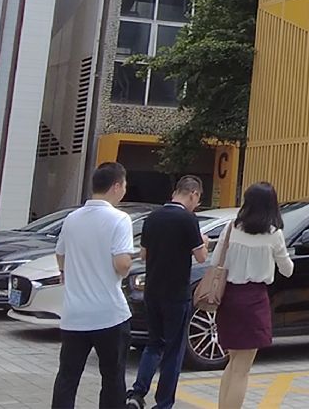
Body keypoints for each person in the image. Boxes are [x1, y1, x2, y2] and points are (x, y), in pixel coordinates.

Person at [52, 162, 135, 409]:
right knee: (112, 377)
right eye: (125, 185)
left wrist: (66, 272)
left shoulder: (72, 218)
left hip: (74, 314)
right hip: (109, 314)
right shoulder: (120, 219)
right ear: (116, 186)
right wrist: (127, 265)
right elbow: (122, 263)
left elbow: (60, 253)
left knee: (67, 377)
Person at [126, 176, 208, 409]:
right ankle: (163, 403)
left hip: (152, 291)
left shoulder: (153, 217)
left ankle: (137, 393)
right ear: (193, 194)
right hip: (176, 293)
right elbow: (201, 257)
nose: (196, 204)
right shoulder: (188, 219)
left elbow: (144, 254)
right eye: (197, 199)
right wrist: (203, 241)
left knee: (153, 344)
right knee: (173, 351)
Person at [214, 182, 294, 409]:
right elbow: (287, 270)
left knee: (232, 363)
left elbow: (216, 260)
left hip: (229, 298)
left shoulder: (231, 228)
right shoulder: (273, 234)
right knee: (242, 370)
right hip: (254, 300)